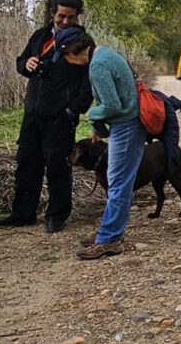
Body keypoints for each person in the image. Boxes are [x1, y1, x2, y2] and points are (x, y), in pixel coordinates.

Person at [0, 0, 93, 234]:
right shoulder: (39, 36)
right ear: (52, 13)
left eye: (71, 17)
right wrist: (26, 65)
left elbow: (88, 81)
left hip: (61, 116)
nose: (66, 21)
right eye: (62, 16)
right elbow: (21, 60)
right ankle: (23, 214)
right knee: (27, 163)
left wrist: (74, 109)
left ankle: (57, 216)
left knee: (58, 166)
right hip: (33, 112)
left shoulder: (82, 40)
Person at [57, 30, 142, 260]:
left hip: (126, 125)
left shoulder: (98, 65)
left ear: (72, 51)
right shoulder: (104, 54)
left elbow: (112, 105)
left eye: (65, 55)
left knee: (117, 183)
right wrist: (98, 125)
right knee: (118, 182)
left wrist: (92, 115)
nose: (66, 61)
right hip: (126, 124)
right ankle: (109, 230)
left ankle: (110, 239)